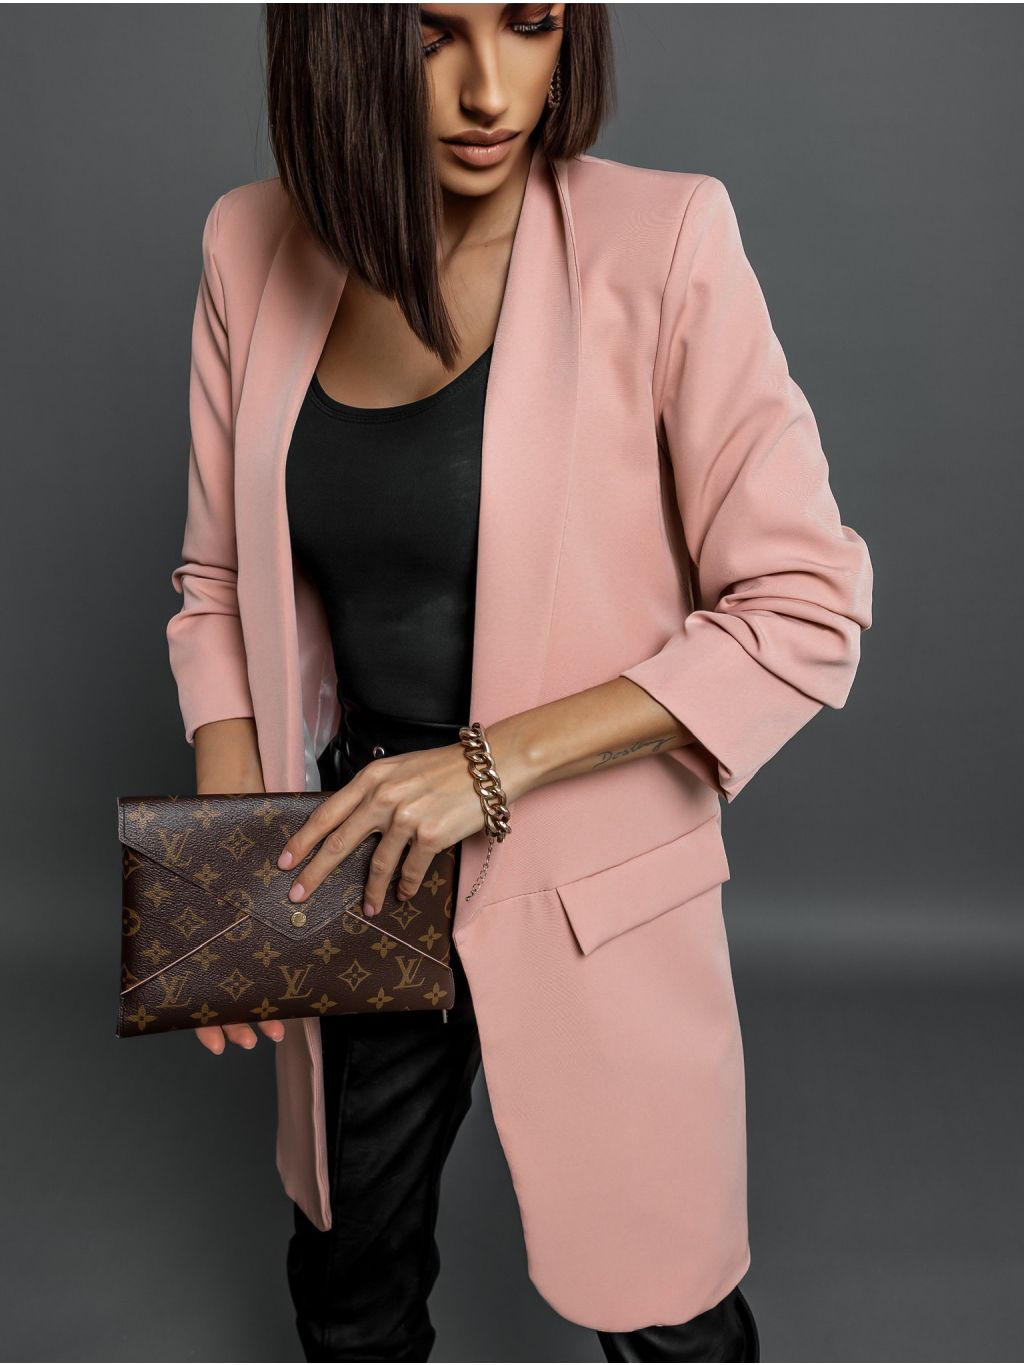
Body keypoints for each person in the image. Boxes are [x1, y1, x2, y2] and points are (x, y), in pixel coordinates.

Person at [167, 3, 873, 1360]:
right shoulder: (248, 245)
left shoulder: (663, 239)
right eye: (434, 35)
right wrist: (235, 870)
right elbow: (216, 584)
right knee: (347, 1290)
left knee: (665, 1307)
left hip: (590, 857)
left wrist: (486, 771)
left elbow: (805, 603)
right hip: (356, 851)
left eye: (532, 22)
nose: (493, 90)